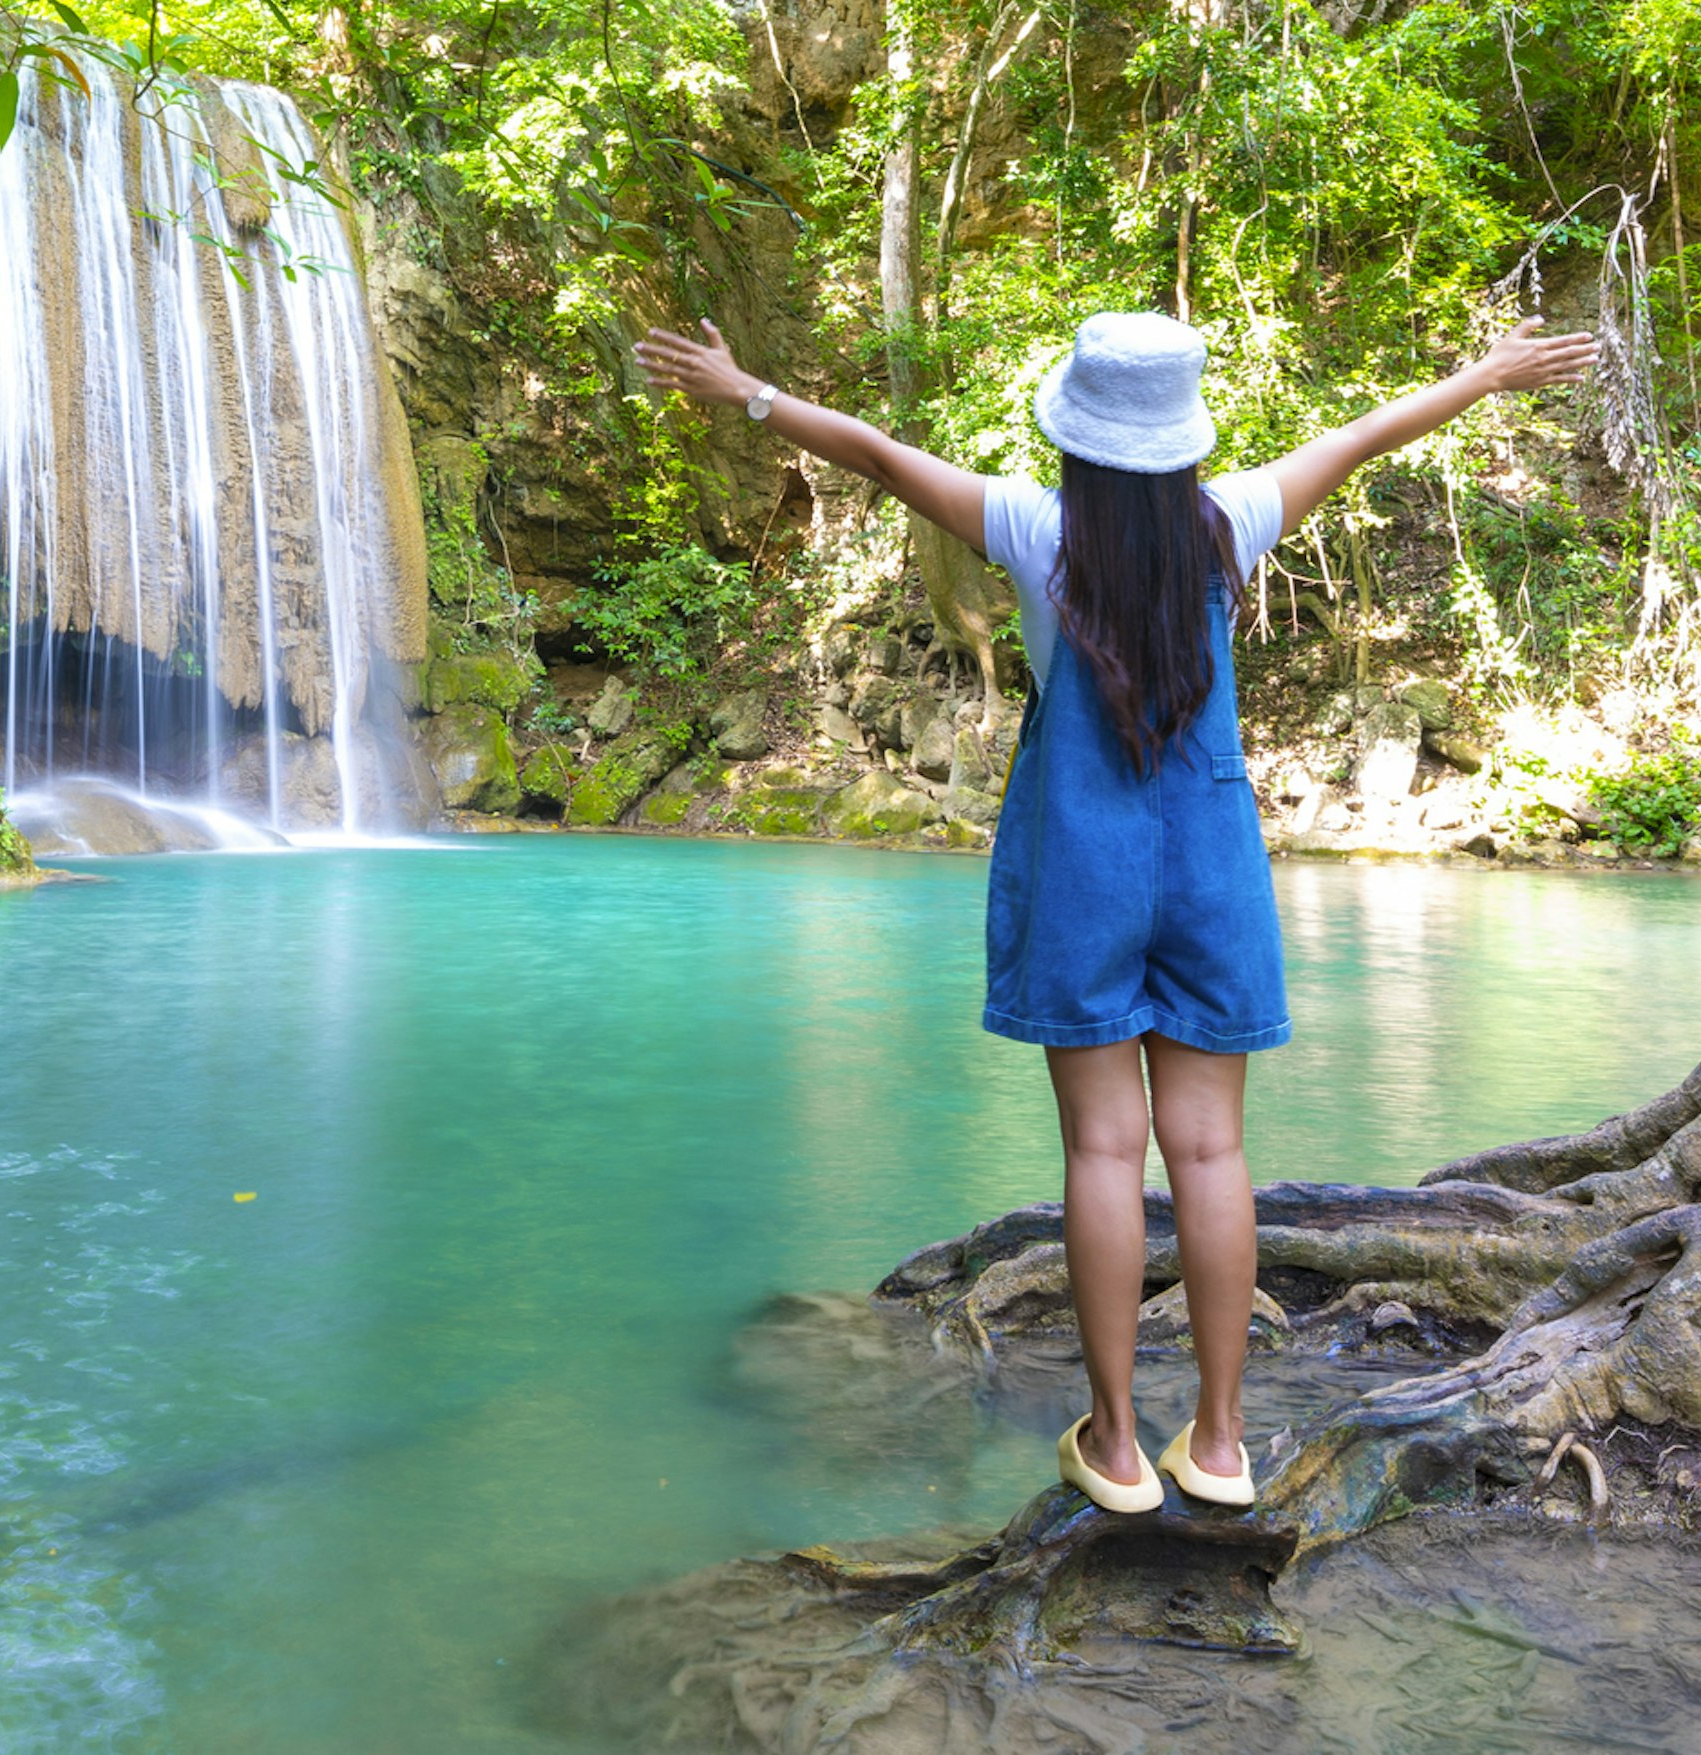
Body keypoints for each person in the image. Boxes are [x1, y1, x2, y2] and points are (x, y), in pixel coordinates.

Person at [637, 307, 1597, 1514]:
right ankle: (1225, 1438)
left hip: (1081, 858)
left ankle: (1117, 1441)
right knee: (1210, 1149)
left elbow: (878, 452)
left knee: (1102, 1148)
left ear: (1080, 437)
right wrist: (1492, 370)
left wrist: (748, 390)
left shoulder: (1037, 529)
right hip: (1208, 860)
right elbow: (1362, 435)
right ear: (1182, 440)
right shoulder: (1231, 520)